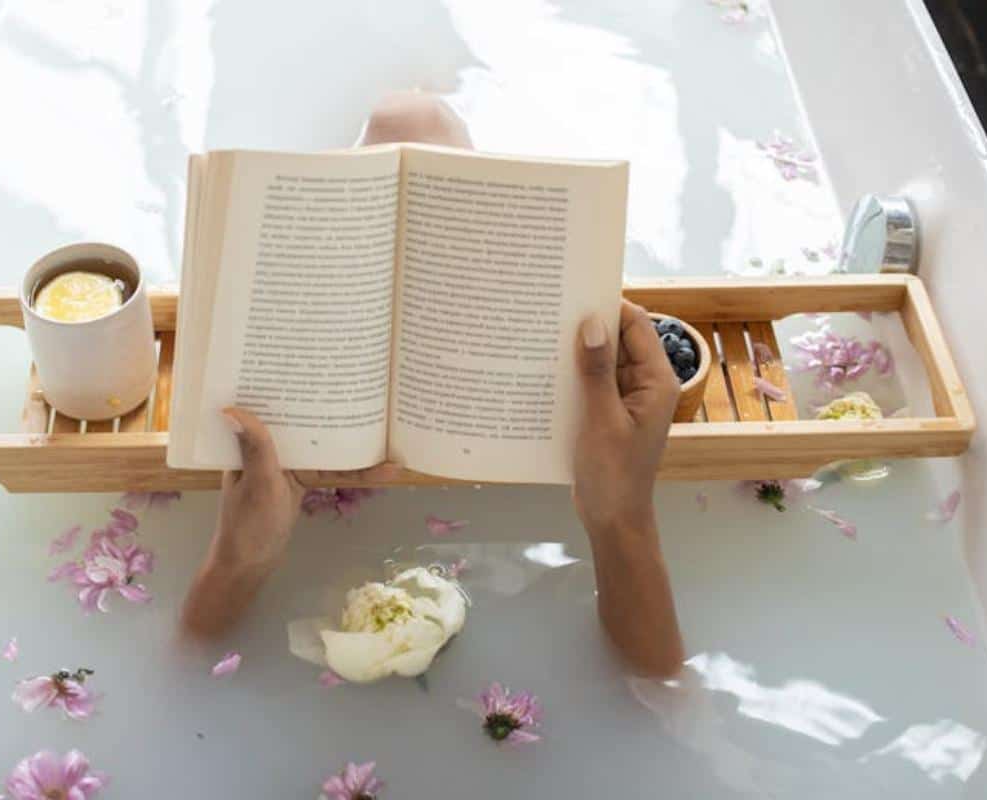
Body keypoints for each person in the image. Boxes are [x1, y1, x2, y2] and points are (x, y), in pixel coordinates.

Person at [181, 93, 685, 679]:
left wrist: (620, 515)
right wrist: (242, 556)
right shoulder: (273, 434)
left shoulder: (577, 421)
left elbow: (661, 696)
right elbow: (182, 677)